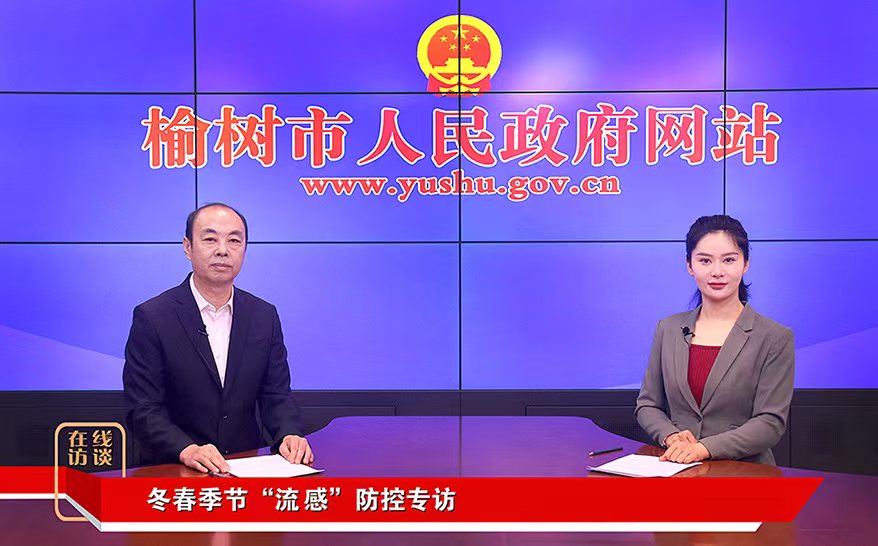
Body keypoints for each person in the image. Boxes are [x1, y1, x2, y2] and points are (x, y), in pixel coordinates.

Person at [123, 203, 313, 472]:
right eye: (210, 239)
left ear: (245, 249)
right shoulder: (153, 317)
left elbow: (276, 393)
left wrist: (288, 433)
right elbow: (142, 408)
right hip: (175, 470)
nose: (223, 250)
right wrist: (187, 449)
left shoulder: (263, 315)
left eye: (234, 240)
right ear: (187, 247)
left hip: (245, 469)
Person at [635, 215, 794, 465]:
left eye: (729, 260)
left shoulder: (775, 337)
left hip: (745, 475)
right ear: (689, 265)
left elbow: (770, 422)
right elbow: (647, 405)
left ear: (745, 264)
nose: (717, 272)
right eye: (705, 260)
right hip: (678, 472)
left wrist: (704, 448)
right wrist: (671, 436)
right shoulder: (668, 329)